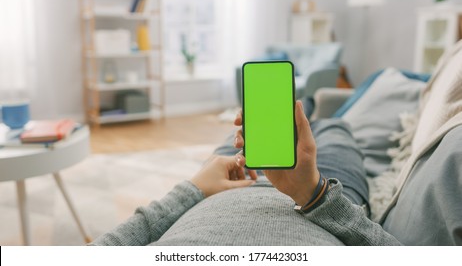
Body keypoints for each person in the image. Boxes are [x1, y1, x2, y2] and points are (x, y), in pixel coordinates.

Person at [90, 101, 400, 245]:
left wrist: (195, 188)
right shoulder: (319, 193)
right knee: (334, 125)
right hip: (324, 193)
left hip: (222, 182)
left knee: (242, 134)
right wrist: (315, 194)